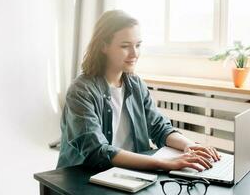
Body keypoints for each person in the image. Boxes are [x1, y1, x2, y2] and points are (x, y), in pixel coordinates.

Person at [57, 10, 220, 171]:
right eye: (125, 46)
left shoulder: (136, 85)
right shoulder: (81, 91)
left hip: (130, 173)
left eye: (138, 45)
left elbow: (159, 128)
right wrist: (164, 163)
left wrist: (190, 146)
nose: (135, 53)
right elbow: (97, 151)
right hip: (85, 177)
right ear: (103, 46)